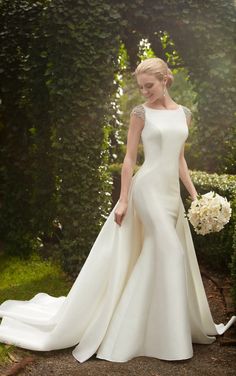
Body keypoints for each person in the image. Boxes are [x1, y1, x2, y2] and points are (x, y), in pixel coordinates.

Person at [0, 57, 235, 364]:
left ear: (166, 79)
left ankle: (155, 330)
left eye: (148, 86)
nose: (144, 92)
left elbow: (178, 159)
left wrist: (195, 196)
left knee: (159, 255)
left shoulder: (184, 115)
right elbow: (128, 160)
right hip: (147, 190)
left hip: (170, 197)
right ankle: (157, 337)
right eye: (140, 87)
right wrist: (124, 199)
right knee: (171, 253)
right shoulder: (140, 113)